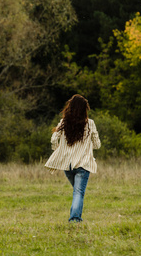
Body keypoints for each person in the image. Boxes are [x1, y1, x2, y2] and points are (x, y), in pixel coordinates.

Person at [45, 94, 101, 222]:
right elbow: (97, 145)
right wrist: (88, 144)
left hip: (67, 165)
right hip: (83, 164)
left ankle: (76, 218)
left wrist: (59, 150)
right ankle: (75, 219)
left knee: (77, 192)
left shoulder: (64, 123)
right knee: (78, 193)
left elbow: (54, 138)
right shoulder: (90, 124)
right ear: (84, 109)